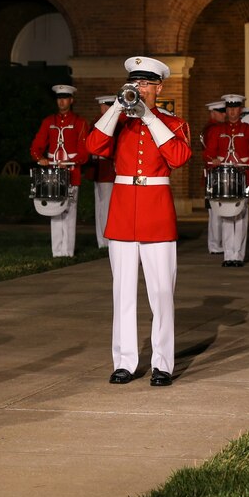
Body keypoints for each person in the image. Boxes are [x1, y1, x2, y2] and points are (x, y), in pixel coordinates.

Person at [85, 56, 191, 387]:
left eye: (146, 83)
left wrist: (149, 117)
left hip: (156, 213)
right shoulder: (118, 122)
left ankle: (162, 364)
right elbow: (93, 145)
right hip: (122, 214)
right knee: (123, 292)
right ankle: (125, 362)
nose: (140, 88)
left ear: (159, 86)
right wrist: (117, 108)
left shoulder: (173, 123)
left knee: (161, 292)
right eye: (135, 82)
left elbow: (178, 158)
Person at [30, 84, 89, 257]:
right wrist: (39, 157)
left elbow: (84, 151)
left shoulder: (79, 122)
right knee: (54, 211)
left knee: (69, 212)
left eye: (65, 98)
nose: (61, 101)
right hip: (52, 172)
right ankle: (57, 252)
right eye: (58, 98)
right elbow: (36, 145)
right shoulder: (48, 121)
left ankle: (68, 251)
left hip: (71, 172)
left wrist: (71, 161)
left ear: (71, 100)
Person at [203, 93, 249, 267]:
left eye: (235, 108)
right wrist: (213, 160)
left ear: (240, 109)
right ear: (226, 110)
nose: (232, 111)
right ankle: (229, 255)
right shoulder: (217, 130)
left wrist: (243, 163)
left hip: (242, 177)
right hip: (224, 179)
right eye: (229, 108)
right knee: (227, 216)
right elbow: (207, 153)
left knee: (241, 217)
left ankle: (238, 255)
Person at [89, 95, 117, 249]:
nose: (102, 109)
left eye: (104, 106)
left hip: (108, 168)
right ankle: (102, 241)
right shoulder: (97, 122)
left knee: (105, 206)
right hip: (99, 168)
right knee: (100, 206)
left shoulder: (115, 123)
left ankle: (106, 240)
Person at [200, 100, 227, 254]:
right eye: (221, 112)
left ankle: (216, 243)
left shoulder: (211, 128)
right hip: (215, 174)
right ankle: (215, 244)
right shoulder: (213, 129)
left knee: (217, 211)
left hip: (214, 174)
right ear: (213, 113)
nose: (224, 114)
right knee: (216, 212)